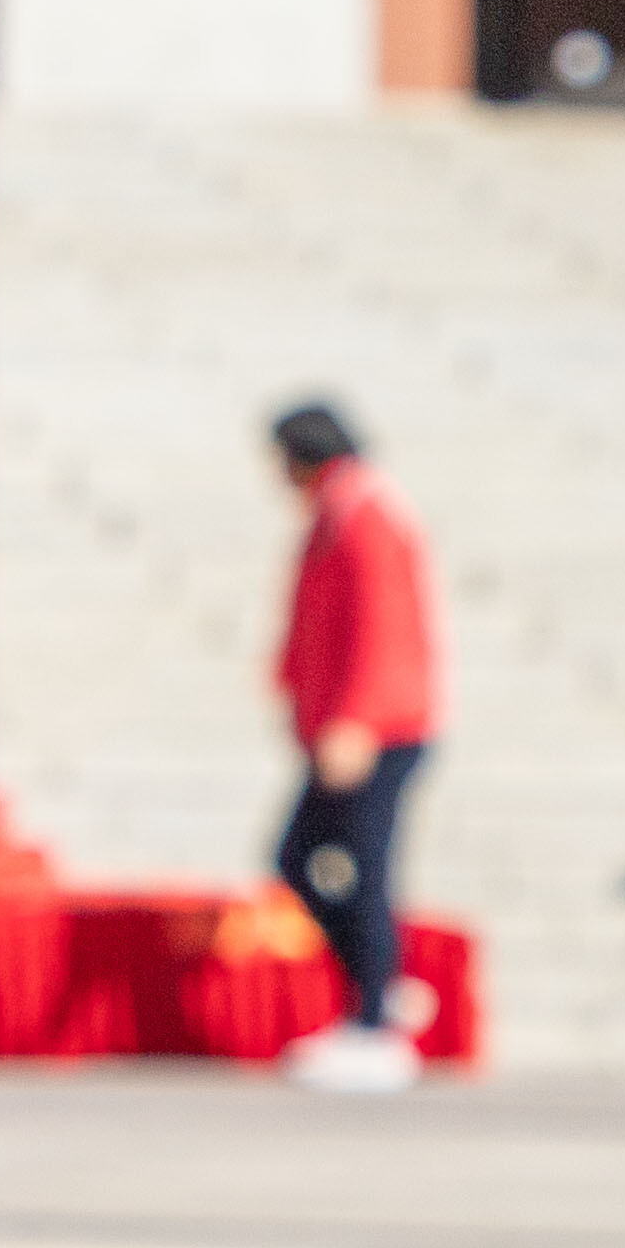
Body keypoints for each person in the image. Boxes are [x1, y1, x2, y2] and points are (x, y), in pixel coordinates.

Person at [266, 396, 441, 1096]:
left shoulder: (368, 513)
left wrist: (358, 720)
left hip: (377, 728)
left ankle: (375, 1023)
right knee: (298, 858)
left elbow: (385, 625)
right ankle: (380, 990)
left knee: (363, 868)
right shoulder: (338, 510)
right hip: (345, 724)